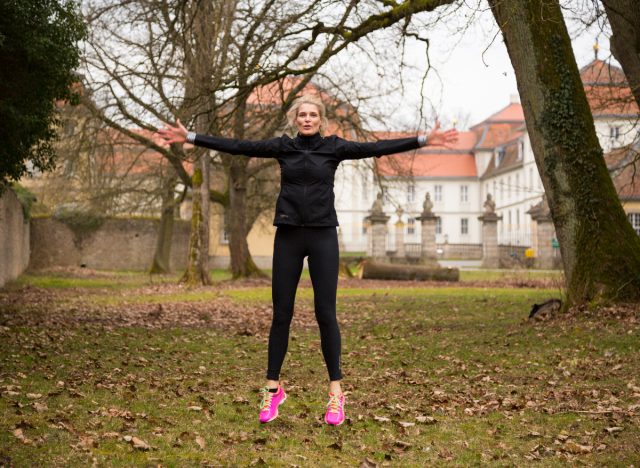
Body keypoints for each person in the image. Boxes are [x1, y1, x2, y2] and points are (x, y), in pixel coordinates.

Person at [156, 95, 458, 426]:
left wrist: (424, 139)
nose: (308, 119)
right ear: (294, 119)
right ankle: (273, 390)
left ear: (322, 119)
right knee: (281, 314)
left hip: (323, 236)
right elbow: (239, 146)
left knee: (325, 314)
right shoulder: (283, 147)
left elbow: (377, 148)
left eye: (313, 114)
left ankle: (336, 395)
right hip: (288, 235)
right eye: (302, 114)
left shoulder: (335, 147)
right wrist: (190, 137)